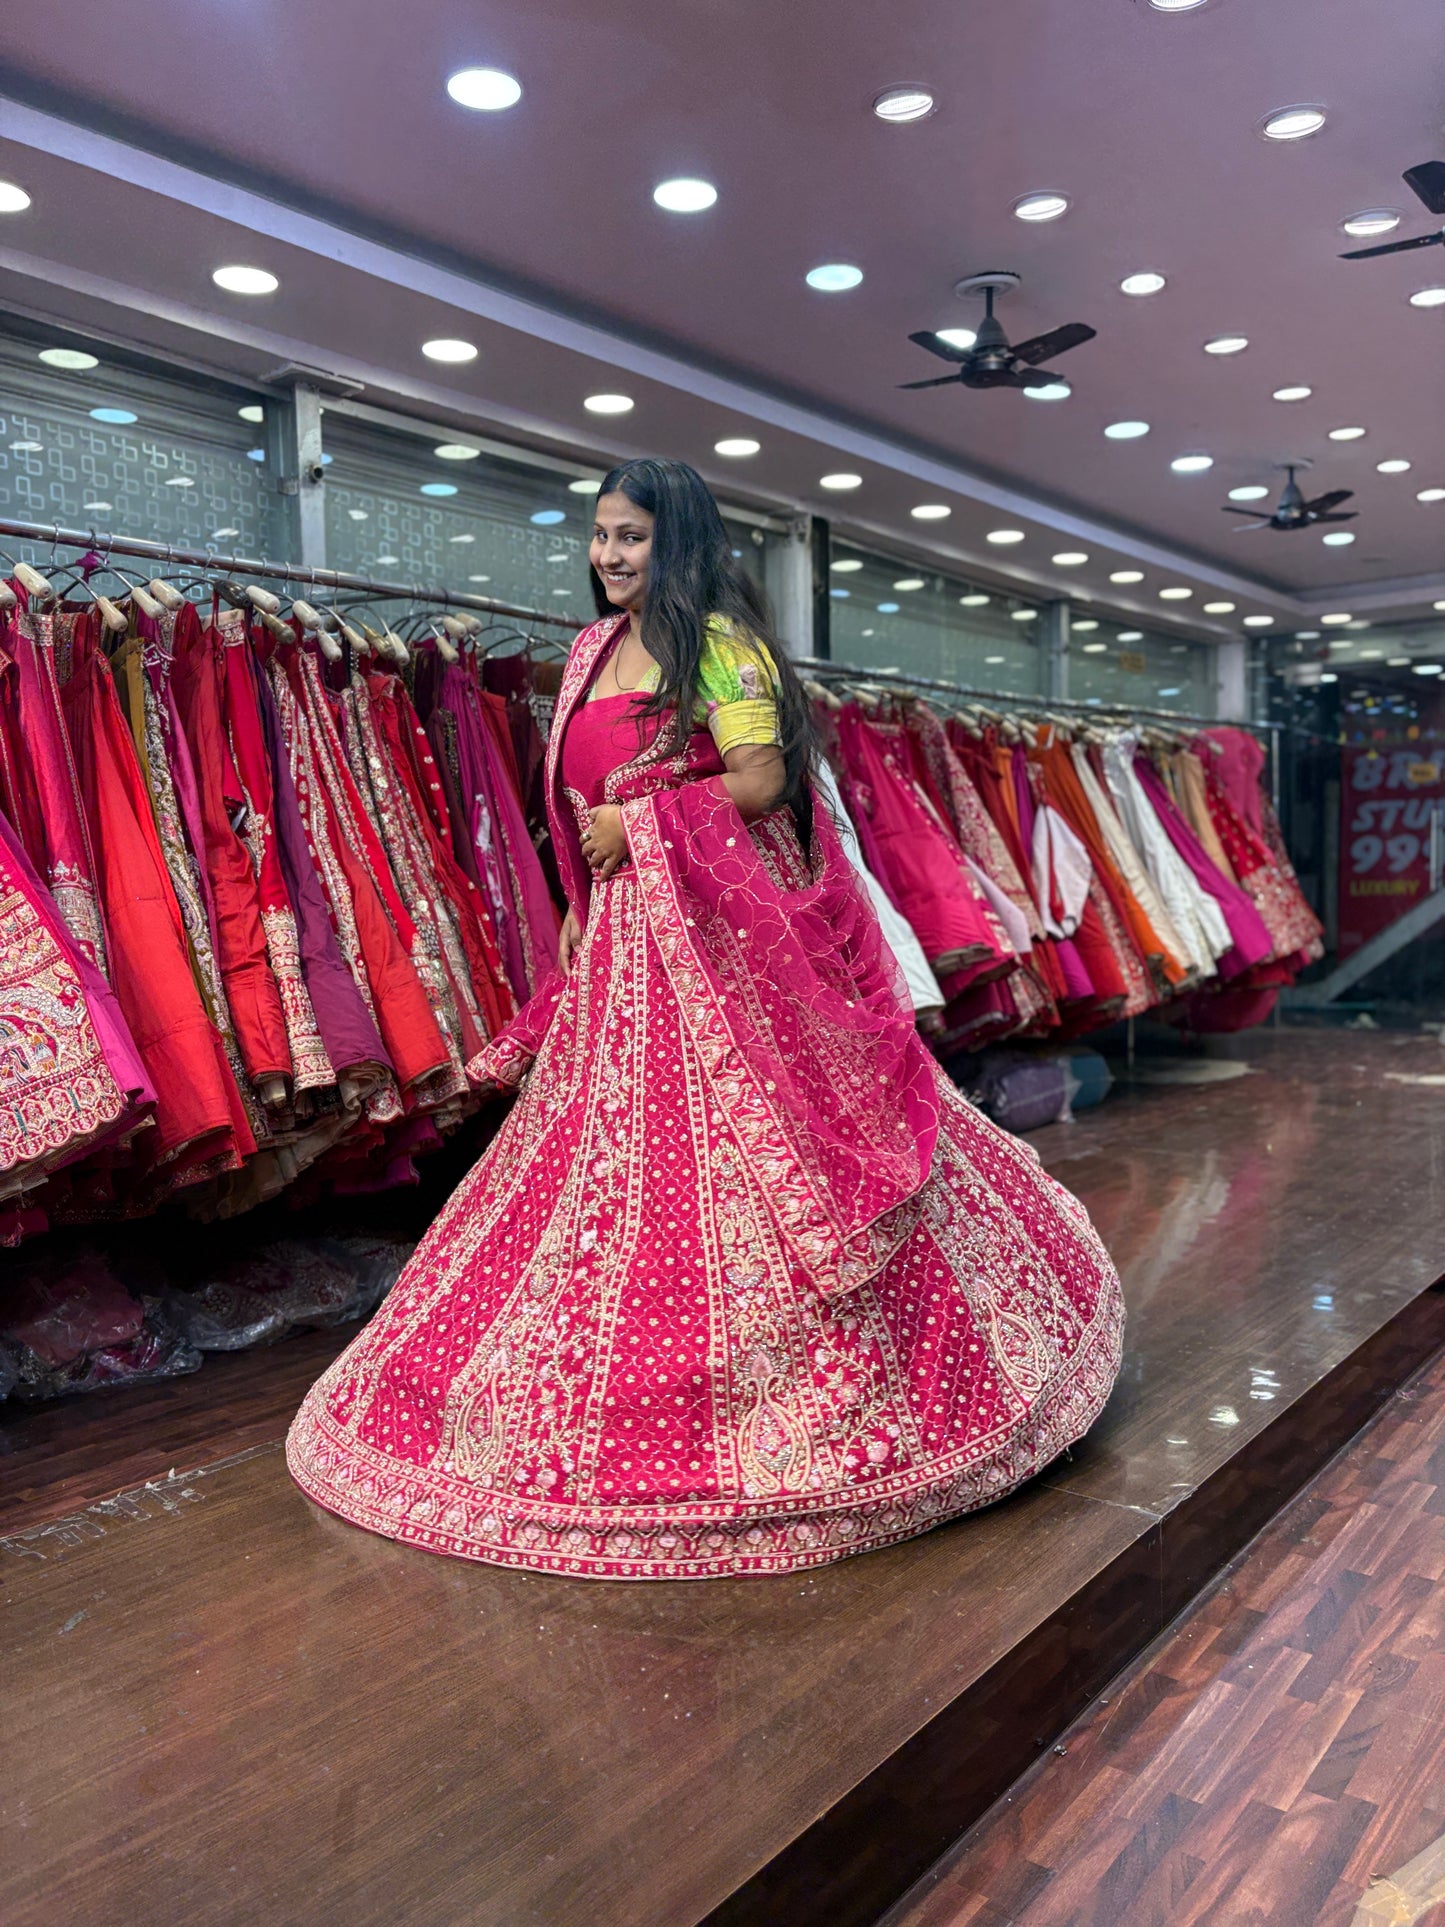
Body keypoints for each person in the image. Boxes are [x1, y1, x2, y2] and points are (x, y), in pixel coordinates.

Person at [287, 459, 1124, 1579]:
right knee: (606, 1171)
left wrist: (639, 829)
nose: (609, 555)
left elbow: (763, 781)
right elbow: (573, 804)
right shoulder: (589, 652)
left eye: (631, 536)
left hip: (723, 947)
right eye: (599, 536)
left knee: (771, 1154)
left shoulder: (720, 642)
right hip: (628, 950)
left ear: (676, 541)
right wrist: (591, 906)